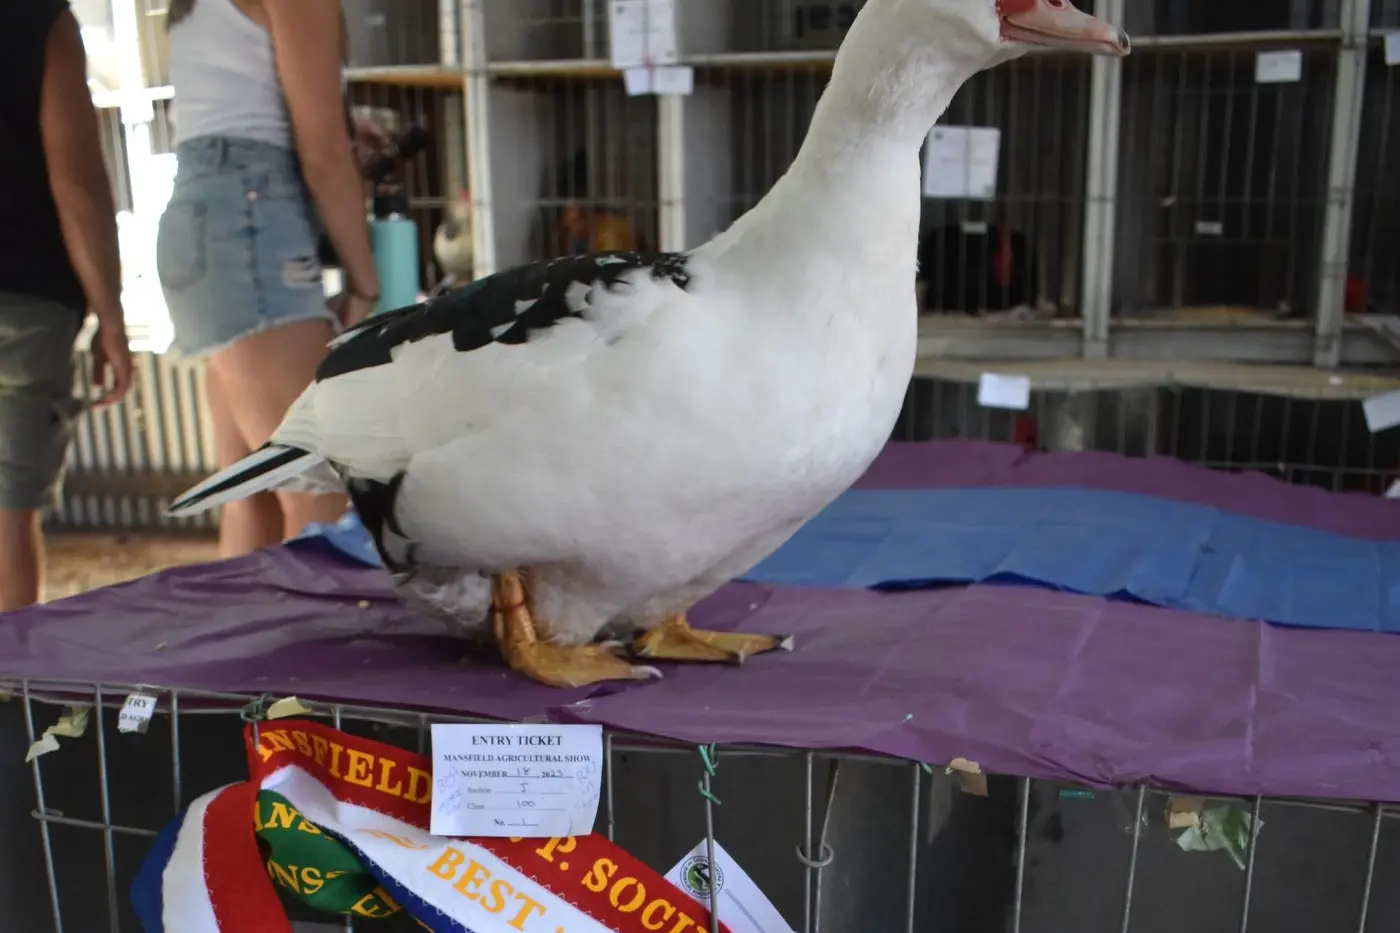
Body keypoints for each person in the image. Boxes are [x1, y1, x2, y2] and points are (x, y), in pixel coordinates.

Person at [159, 0, 382, 558]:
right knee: (322, 504)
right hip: (249, 225)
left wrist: (341, 135)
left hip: (208, 223)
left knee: (252, 495)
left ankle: (243, 645)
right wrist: (366, 284)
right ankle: (316, 648)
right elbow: (324, 155)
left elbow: (247, 110)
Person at [0, 1, 134, 610]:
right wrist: (111, 313)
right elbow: (76, 179)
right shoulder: (38, 17)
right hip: (24, 300)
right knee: (7, 522)